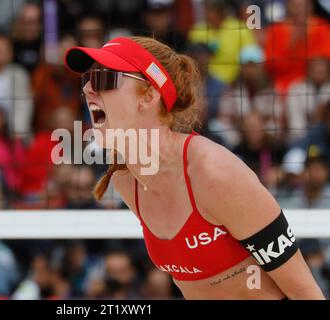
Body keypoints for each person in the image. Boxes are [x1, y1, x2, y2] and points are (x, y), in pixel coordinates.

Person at [64, 35, 324, 299]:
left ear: (150, 95)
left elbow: (306, 293)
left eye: (105, 80)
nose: (88, 90)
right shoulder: (126, 180)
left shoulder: (215, 174)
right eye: (87, 80)